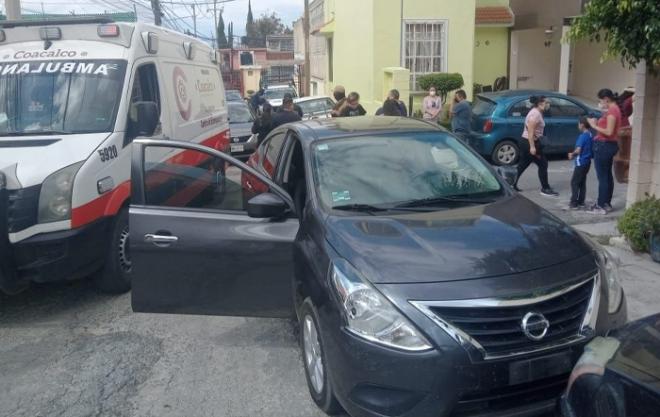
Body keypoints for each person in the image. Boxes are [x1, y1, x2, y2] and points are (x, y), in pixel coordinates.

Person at [514, 95, 559, 197]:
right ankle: (545, 188)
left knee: (523, 164)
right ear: (540, 104)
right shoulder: (535, 114)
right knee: (543, 164)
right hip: (530, 143)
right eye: (546, 102)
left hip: (527, 142)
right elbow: (530, 131)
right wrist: (532, 147)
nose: (548, 104)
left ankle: (511, 184)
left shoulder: (537, 112)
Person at [587, 88, 622, 214]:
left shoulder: (612, 111)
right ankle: (606, 203)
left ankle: (601, 205)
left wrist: (593, 125)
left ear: (606, 99)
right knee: (606, 175)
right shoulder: (613, 109)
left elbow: (609, 131)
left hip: (604, 145)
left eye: (601, 101)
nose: (601, 103)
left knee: (603, 177)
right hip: (608, 145)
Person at [568, 117, 594, 209]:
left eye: (579, 124)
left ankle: (574, 202)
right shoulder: (590, 135)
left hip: (580, 162)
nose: (578, 125)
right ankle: (581, 201)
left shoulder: (582, 137)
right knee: (582, 182)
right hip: (587, 162)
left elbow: (578, 150)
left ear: (582, 125)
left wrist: (572, 154)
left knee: (574, 182)